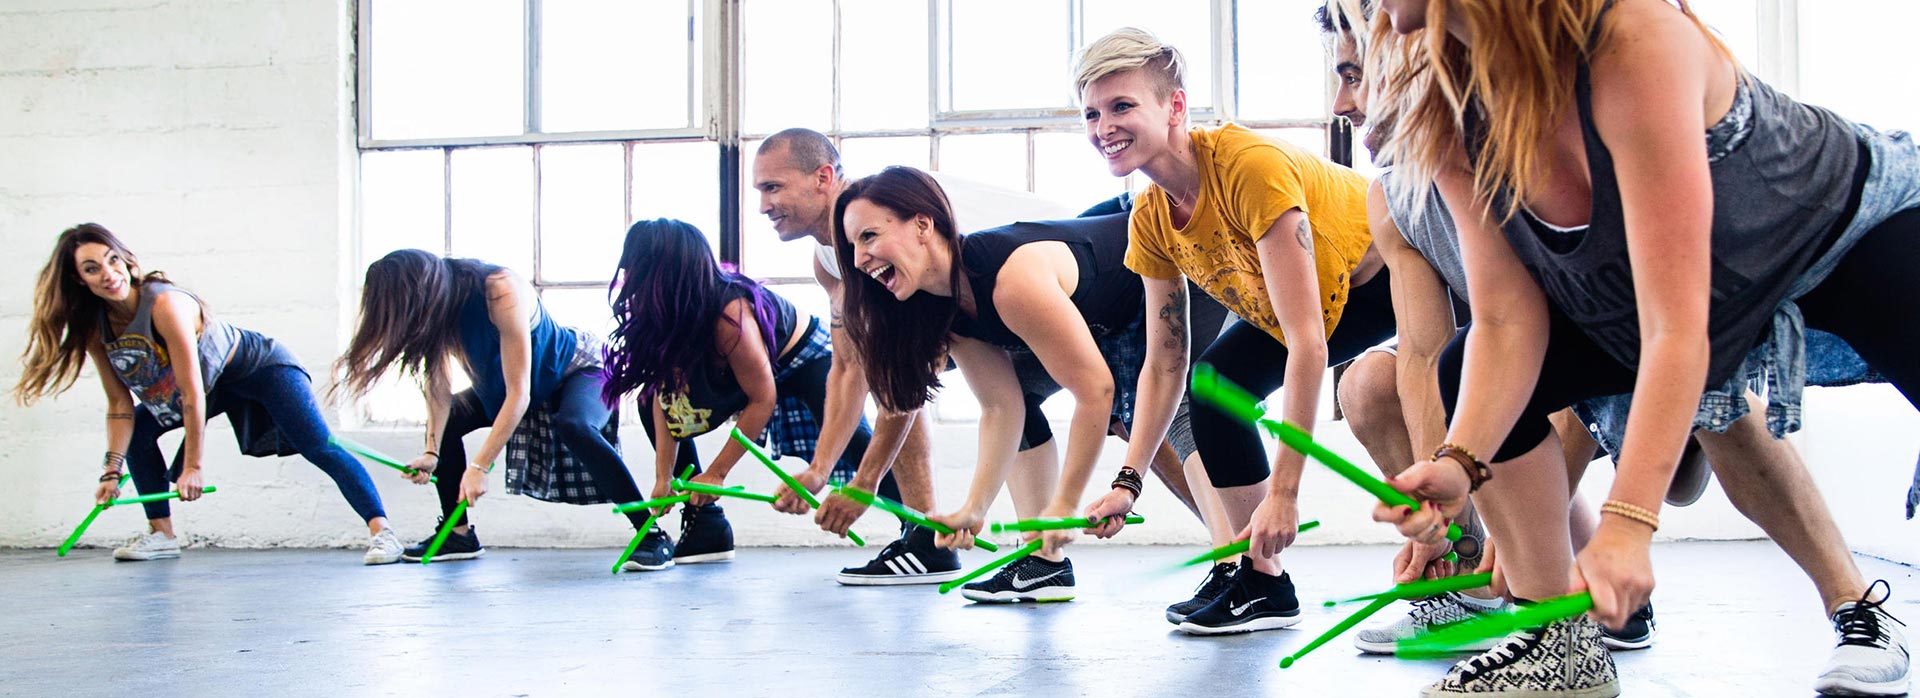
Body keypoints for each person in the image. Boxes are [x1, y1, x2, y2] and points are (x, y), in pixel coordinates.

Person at [1321, 0, 1904, 673]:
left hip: (1840, 234)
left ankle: (1857, 606)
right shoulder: (1443, 112)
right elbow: (1504, 321)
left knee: (1727, 416)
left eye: (1351, 72)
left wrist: (1627, 525)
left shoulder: (1631, 39)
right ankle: (1560, 647)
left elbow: (1676, 325)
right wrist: (1458, 465)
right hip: (1648, 305)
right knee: (1464, 368)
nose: (1345, 98)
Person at [751, 129, 1234, 587]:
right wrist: (973, 509)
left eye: (870, 238)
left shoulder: (1009, 281)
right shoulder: (946, 306)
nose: (858, 260)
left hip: (1170, 264)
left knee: (1166, 411)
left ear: (922, 225)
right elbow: (1001, 408)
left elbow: (1095, 391)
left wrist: (1063, 504)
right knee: (1025, 395)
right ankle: (1044, 562)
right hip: (1094, 302)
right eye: (852, 245)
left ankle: (1242, 564)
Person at [1070, 27, 1398, 635]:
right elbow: (1164, 362)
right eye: (1091, 112)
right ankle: (1263, 582)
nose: (1102, 127)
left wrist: (1286, 493)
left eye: (1121, 106)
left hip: (1386, 272)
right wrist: (1128, 484)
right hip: (1312, 304)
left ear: (1174, 107)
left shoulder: (1249, 169)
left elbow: (1307, 344)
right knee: (1214, 386)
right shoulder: (1150, 217)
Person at [14, 223, 401, 564]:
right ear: (79, 280)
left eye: (113, 260)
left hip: (261, 369)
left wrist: (193, 466)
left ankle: (382, 531)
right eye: (92, 268)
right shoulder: (94, 328)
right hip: (213, 387)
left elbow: (191, 391)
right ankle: (162, 535)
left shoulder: (165, 304)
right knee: (139, 434)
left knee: (317, 444)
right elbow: (120, 406)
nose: (108, 274)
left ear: (128, 260)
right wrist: (111, 471)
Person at [333, 249, 652, 568]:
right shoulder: (435, 314)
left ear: (422, 292)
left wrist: (479, 467)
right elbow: (438, 390)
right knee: (451, 421)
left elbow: (519, 393)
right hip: (514, 385)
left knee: (575, 425)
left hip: (576, 368)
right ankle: (457, 534)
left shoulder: (499, 289)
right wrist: (432, 453)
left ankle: (650, 535)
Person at [601, 218, 880, 569]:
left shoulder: (730, 315)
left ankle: (917, 530)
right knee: (647, 401)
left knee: (850, 434)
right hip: (732, 364)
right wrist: (663, 478)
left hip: (801, 352)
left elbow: (762, 398)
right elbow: (665, 397)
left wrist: (717, 474)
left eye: (639, 276)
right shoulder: (666, 317)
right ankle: (706, 527)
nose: (632, 284)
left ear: (667, 278)